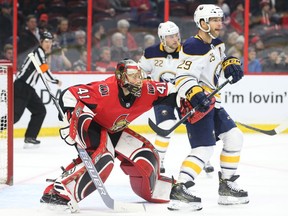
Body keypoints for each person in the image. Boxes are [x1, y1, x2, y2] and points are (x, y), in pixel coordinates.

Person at [40, 59, 176, 211]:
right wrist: (68, 122)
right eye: (133, 76)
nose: (138, 80)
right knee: (103, 160)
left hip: (114, 130)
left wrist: (191, 96)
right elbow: (69, 95)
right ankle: (57, 192)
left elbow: (173, 89)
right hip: (94, 127)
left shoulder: (147, 89)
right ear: (121, 77)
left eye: (140, 75)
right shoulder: (104, 90)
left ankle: (161, 189)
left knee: (146, 154)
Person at [168, 4, 249, 211]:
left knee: (234, 137)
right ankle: (180, 188)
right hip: (195, 103)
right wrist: (195, 94)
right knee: (204, 149)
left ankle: (227, 185)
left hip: (213, 102)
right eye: (214, 20)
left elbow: (221, 61)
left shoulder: (217, 43)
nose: (219, 24)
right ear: (202, 23)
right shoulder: (192, 47)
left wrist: (230, 64)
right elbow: (183, 77)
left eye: (220, 20)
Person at [139, 21, 214, 174]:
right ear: (162, 38)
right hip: (162, 96)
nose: (175, 39)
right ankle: (159, 160)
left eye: (176, 35)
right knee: (166, 126)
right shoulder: (150, 53)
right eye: (171, 36)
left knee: (197, 126)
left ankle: (202, 158)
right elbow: (140, 71)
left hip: (184, 94)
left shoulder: (187, 51)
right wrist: (145, 79)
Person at [14, 31, 62, 149]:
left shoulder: (40, 53)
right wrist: (55, 80)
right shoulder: (38, 52)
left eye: (50, 42)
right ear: (41, 42)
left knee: (40, 111)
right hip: (22, 87)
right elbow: (44, 69)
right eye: (46, 41)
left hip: (28, 88)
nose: (48, 44)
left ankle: (30, 137)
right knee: (14, 117)